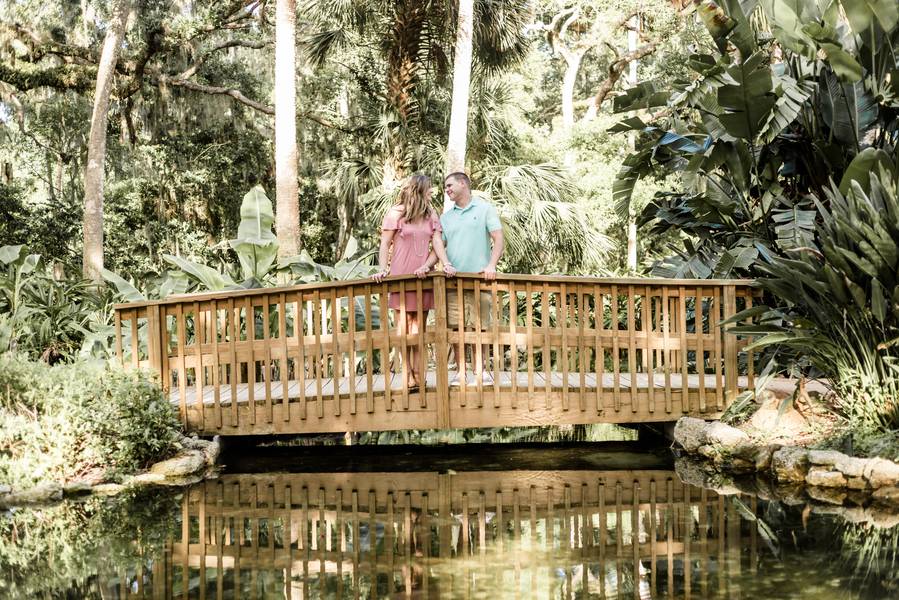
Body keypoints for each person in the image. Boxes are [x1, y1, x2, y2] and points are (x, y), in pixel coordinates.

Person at [373, 174, 455, 391]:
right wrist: (382, 269)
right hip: (401, 277)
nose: (432, 192)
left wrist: (442, 264)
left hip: (423, 277)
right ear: (419, 190)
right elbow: (384, 244)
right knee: (403, 330)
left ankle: (419, 375)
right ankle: (407, 375)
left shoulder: (431, 215)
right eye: (429, 189)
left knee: (418, 330)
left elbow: (437, 242)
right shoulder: (396, 213)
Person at [440, 172, 504, 385]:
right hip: (453, 281)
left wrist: (491, 265)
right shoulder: (446, 217)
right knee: (457, 328)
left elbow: (498, 238)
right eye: (444, 187)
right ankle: (461, 373)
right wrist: (427, 265)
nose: (446, 189)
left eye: (449, 185)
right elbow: (439, 247)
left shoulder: (484, 208)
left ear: (462, 184)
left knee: (480, 326)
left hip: (480, 279)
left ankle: (481, 371)